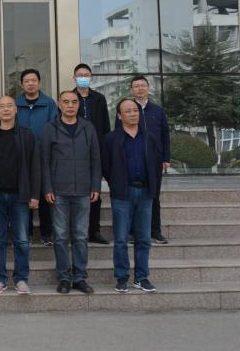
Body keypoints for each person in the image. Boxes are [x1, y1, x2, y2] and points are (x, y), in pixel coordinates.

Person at [0, 95, 41, 295]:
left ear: (16, 110)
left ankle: (21, 279)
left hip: (20, 196)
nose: (5, 109)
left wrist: (35, 194)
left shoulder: (27, 135)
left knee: (21, 239)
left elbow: (35, 166)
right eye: (2, 106)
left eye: (9, 106)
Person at [41, 90, 101, 295]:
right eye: (66, 102)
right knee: (60, 236)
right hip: (58, 191)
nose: (70, 105)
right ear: (59, 104)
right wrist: (47, 188)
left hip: (83, 190)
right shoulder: (50, 128)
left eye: (74, 102)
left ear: (78, 105)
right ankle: (64, 277)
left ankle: (80, 277)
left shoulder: (88, 127)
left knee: (81, 236)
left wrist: (95, 186)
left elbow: (96, 159)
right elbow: (44, 161)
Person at [103, 98, 160, 294]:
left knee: (143, 238)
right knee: (120, 239)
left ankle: (142, 277)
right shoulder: (111, 139)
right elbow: (106, 166)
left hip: (145, 193)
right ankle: (122, 277)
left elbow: (156, 164)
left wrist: (153, 188)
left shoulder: (149, 138)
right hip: (122, 194)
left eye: (135, 110)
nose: (133, 114)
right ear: (119, 116)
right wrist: (115, 183)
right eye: (127, 111)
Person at [120, 75, 171, 244]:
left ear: (148, 88)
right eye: (136, 86)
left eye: (143, 85)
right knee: (133, 196)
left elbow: (165, 135)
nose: (140, 88)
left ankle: (155, 231)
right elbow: (118, 135)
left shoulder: (157, 111)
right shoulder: (127, 109)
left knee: (153, 196)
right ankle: (132, 233)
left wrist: (166, 157)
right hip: (132, 160)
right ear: (131, 90)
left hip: (154, 161)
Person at [15, 68, 58, 245]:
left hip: (44, 156)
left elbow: (55, 128)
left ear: (39, 83)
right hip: (21, 157)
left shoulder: (49, 104)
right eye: (27, 81)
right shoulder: (16, 104)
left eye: (34, 80)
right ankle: (27, 233)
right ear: (22, 84)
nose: (30, 84)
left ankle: (47, 233)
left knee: (45, 194)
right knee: (24, 195)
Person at [73, 63, 111, 245]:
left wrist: (105, 149)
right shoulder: (69, 98)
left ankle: (94, 230)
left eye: (86, 74)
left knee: (95, 191)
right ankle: (76, 230)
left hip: (96, 150)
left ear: (91, 76)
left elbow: (105, 126)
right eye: (79, 75)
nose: (83, 77)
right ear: (74, 77)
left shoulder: (99, 98)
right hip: (74, 151)